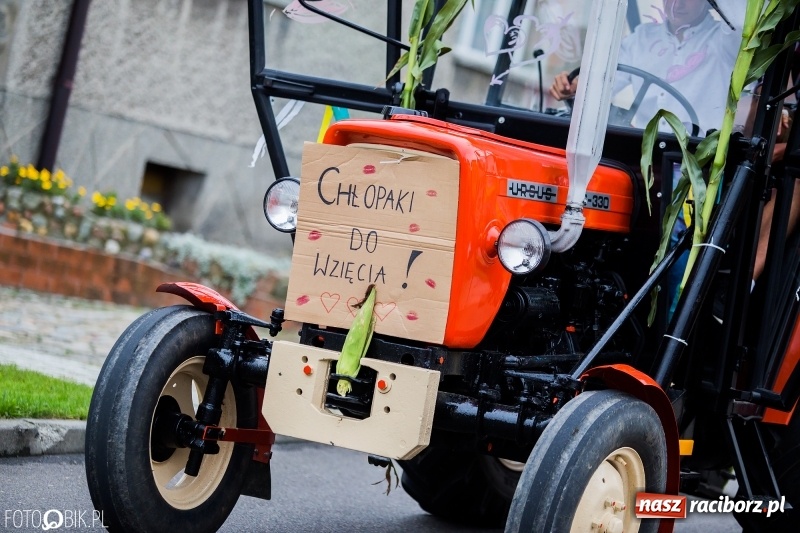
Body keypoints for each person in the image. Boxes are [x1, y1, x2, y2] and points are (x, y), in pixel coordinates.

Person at [550, 0, 748, 136]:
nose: (677, 3)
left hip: (698, 162)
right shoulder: (642, 38)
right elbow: (602, 83)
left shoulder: (725, 41)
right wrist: (574, 89)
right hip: (639, 156)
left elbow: (741, 20)